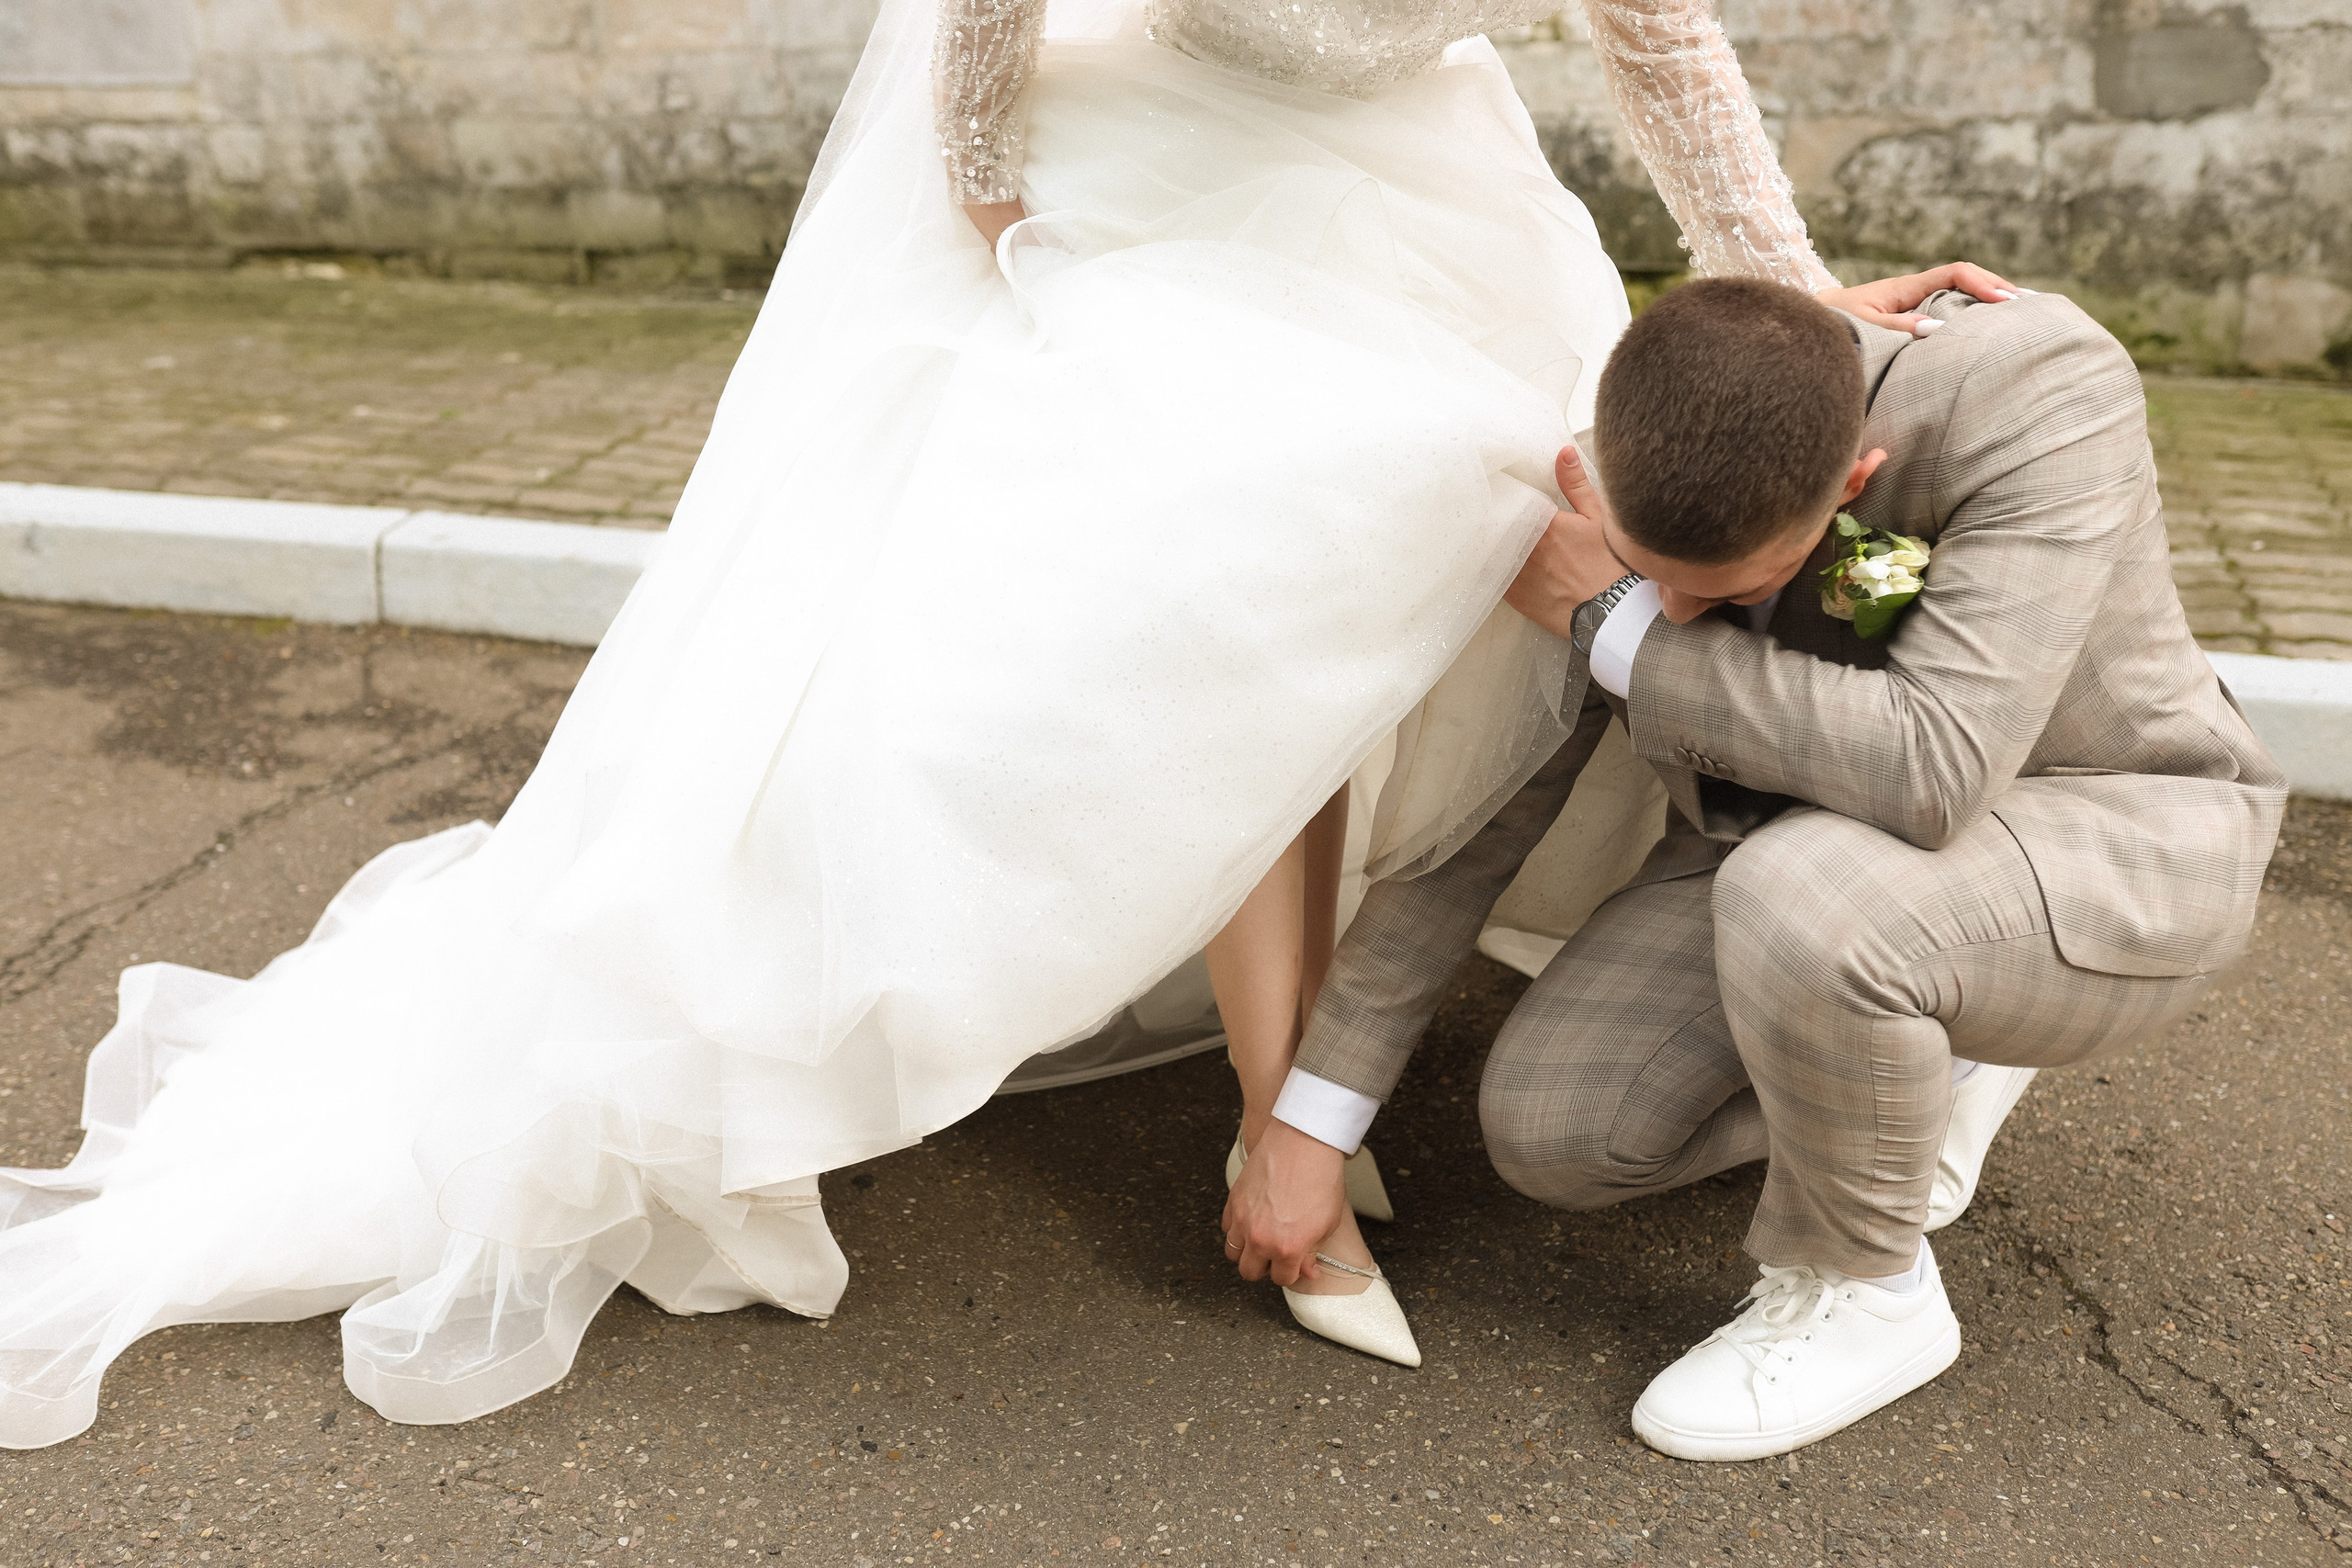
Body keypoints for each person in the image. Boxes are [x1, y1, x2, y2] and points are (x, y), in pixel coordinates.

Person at [0, 0, 1989, 1447]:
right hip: (1132, 189)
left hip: (1398, 195)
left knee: (1415, 534)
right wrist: (999, 218)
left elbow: (1663, 51)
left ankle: (1290, 1102)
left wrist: (1796, 311)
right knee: (1238, 574)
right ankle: (1284, 1102)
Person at [1226, 277, 2285, 1453]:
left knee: (1803, 898)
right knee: (1558, 1130)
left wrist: (1617, 623)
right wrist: (1306, 1125)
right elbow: (1484, 812)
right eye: (1644, 571)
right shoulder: (1608, 468)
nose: (1676, 610)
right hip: (1793, 847)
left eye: (1717, 594)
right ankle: (1917, 1063)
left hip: (2103, 831)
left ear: (1852, 487)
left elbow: (1937, 770)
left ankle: (1865, 1286)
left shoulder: (2037, 390)